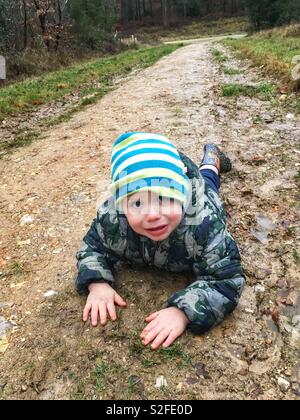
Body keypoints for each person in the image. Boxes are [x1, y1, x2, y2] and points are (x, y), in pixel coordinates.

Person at [76, 132, 245, 350]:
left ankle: (212, 157)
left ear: (182, 194)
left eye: (164, 198)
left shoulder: (204, 223)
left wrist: (183, 311)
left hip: (201, 193)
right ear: (121, 205)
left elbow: (227, 279)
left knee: (208, 180)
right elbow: (92, 247)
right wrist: (96, 282)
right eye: (137, 204)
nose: (153, 214)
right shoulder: (113, 219)